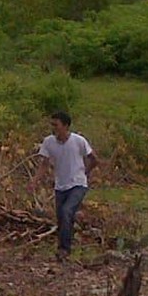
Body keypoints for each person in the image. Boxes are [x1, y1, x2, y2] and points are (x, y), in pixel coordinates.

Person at [36, 111, 100, 261]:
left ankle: (64, 249)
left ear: (65, 126)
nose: (53, 128)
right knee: (62, 217)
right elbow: (44, 164)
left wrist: (85, 172)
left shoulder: (78, 141)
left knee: (67, 211)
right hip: (60, 186)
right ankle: (66, 246)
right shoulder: (48, 142)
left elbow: (94, 159)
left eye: (56, 125)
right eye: (52, 125)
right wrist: (35, 181)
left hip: (78, 184)